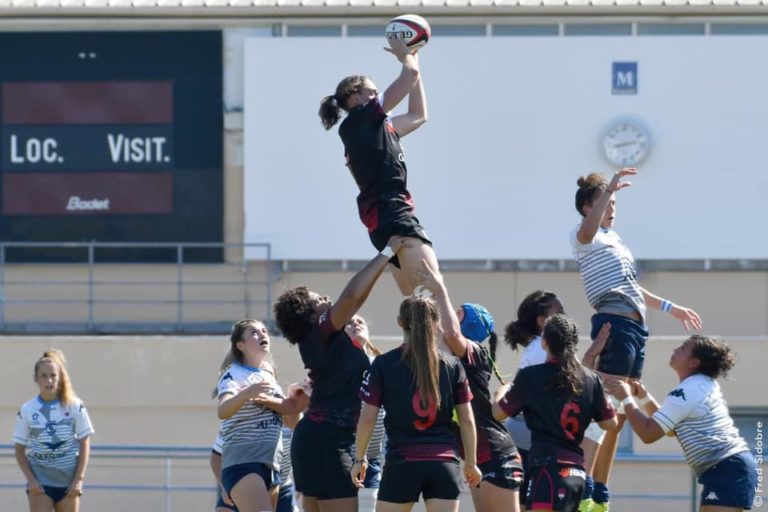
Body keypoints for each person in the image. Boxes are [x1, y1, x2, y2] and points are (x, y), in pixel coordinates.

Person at [571, 169, 703, 512]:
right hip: (614, 322)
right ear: (588, 206)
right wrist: (609, 187)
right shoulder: (586, 235)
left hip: (635, 328)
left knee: (618, 409)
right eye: (605, 202)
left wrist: (670, 307)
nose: (612, 208)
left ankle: (598, 489)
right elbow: (587, 232)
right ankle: (582, 483)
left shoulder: (616, 240)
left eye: (614, 202)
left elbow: (633, 287)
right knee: (604, 401)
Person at [272, 236, 409, 512]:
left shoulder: (323, 338)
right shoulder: (318, 330)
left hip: (314, 437)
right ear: (309, 315)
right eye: (317, 300)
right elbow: (351, 297)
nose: (325, 298)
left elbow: (355, 301)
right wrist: (385, 253)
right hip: (330, 439)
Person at [318, 36, 437, 296]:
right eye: (372, 91)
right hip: (393, 213)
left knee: (417, 298)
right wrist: (405, 56)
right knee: (431, 291)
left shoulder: (375, 126)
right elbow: (409, 76)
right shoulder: (361, 120)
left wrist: (414, 59)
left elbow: (419, 115)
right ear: (355, 95)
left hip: (384, 218)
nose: (377, 94)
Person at [352, 295, 482, 512]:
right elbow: (467, 420)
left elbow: (367, 419)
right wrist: (471, 462)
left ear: (400, 322)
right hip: (444, 464)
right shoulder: (453, 365)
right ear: (437, 323)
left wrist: (359, 458)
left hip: (402, 462)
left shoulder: (384, 364)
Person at [605, 336, 758, 512]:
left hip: (727, 467)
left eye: (683, 348)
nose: (675, 350)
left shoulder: (687, 390)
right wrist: (644, 398)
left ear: (694, 362)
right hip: (727, 467)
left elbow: (648, 434)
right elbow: (670, 429)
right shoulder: (701, 384)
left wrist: (627, 398)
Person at [418, 264, 523, 512]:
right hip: (478, 459)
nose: (451, 316)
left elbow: (452, 333)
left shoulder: (476, 353)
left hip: (497, 455)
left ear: (470, 326)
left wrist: (440, 287)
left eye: (459, 313)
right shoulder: (447, 361)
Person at [492, 315, 619, 512]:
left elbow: (499, 414)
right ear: (575, 344)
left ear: (544, 343)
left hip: (548, 470)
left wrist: (501, 392)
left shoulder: (531, 376)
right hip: (577, 474)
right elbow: (610, 423)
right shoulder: (592, 380)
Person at [502, 290, 565, 510]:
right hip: (528, 440)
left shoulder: (544, 348)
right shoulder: (542, 350)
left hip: (532, 439)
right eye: (560, 312)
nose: (566, 317)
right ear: (542, 322)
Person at [13, 350, 95, 512]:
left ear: (60, 378)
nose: (49, 380)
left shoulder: (75, 406)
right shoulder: (27, 409)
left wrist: (78, 480)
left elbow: (84, 441)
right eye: (43, 375)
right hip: (41, 482)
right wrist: (31, 480)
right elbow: (19, 448)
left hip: (68, 483)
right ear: (36, 378)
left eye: (53, 375)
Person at [217, 320, 285, 512]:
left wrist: (297, 400)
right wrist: (246, 393)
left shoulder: (269, 377)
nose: (263, 334)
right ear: (240, 345)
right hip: (244, 461)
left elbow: (287, 419)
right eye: (254, 332)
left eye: (264, 331)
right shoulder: (234, 373)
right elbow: (223, 411)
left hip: (272, 463)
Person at [345, 316, 386, 509]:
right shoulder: (335, 364)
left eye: (360, 322)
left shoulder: (382, 363)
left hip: (372, 459)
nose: (355, 325)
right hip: (342, 455)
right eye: (349, 323)